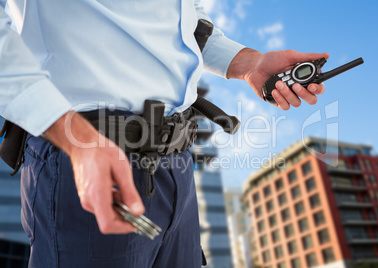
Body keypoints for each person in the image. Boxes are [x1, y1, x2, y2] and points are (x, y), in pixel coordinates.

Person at [0, 0, 328, 267]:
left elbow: (183, 18)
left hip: (175, 168)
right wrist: (68, 134)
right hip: (90, 155)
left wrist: (248, 63)